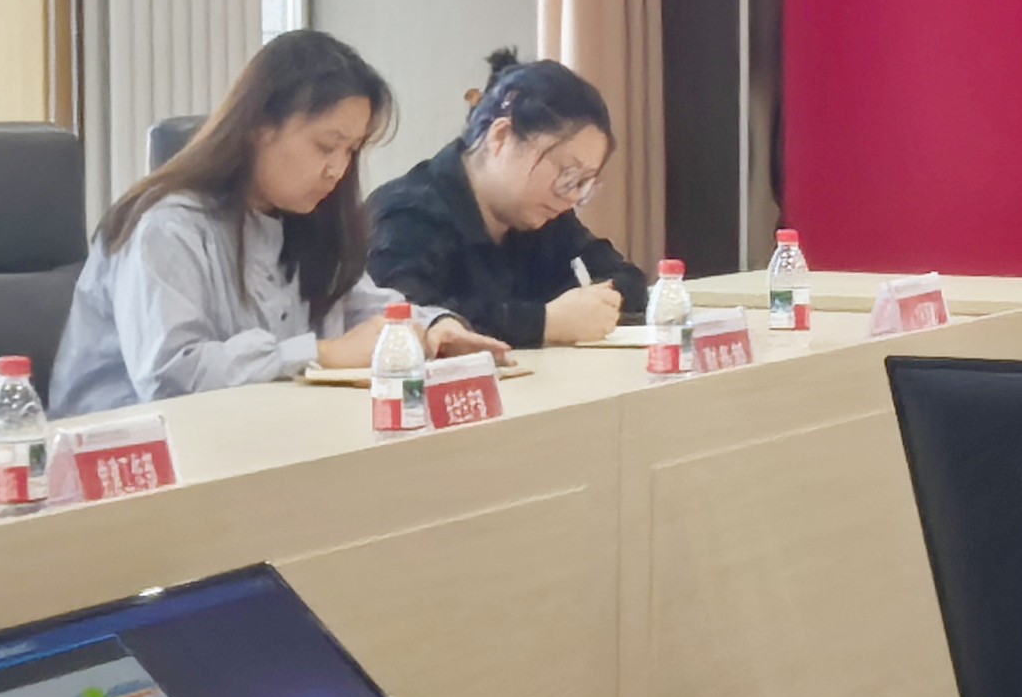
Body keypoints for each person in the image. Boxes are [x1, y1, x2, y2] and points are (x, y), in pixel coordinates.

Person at [49, 30, 504, 414]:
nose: (338, 169)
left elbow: (363, 308)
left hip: (259, 444)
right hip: (127, 463)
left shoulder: (304, 220)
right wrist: (322, 354)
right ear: (260, 125)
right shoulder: (165, 226)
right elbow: (171, 376)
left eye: (351, 151)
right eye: (326, 146)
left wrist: (430, 329)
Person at [368, 47, 648, 348]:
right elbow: (406, 320)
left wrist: (593, 304)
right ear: (501, 137)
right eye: (568, 174)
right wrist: (543, 322)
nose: (571, 197)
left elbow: (626, 279)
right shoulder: (407, 215)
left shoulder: (544, 216)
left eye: (583, 183)